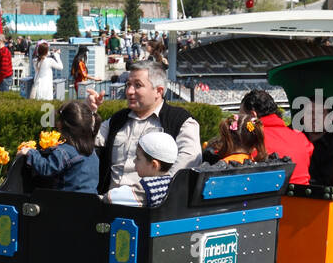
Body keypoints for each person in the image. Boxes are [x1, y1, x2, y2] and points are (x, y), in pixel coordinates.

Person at [89, 60, 201, 195]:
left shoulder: (180, 121)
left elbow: (189, 161)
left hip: (152, 208)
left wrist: (154, 192)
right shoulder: (117, 119)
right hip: (109, 203)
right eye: (128, 84)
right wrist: (89, 111)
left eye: (137, 85)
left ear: (158, 91)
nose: (129, 91)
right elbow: (87, 141)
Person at [16, 99, 98, 193]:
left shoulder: (64, 152)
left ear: (61, 125)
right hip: (90, 201)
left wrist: (30, 152)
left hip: (66, 202)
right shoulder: (91, 151)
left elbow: (46, 168)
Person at [239, 89, 310, 185]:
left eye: (241, 116)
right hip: (303, 197)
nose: (239, 121)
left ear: (253, 116)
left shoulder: (250, 140)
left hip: (269, 198)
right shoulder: (301, 138)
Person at [104, 131, 177, 206]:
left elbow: (111, 198)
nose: (134, 160)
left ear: (154, 165)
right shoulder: (172, 184)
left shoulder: (147, 189)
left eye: (138, 158)